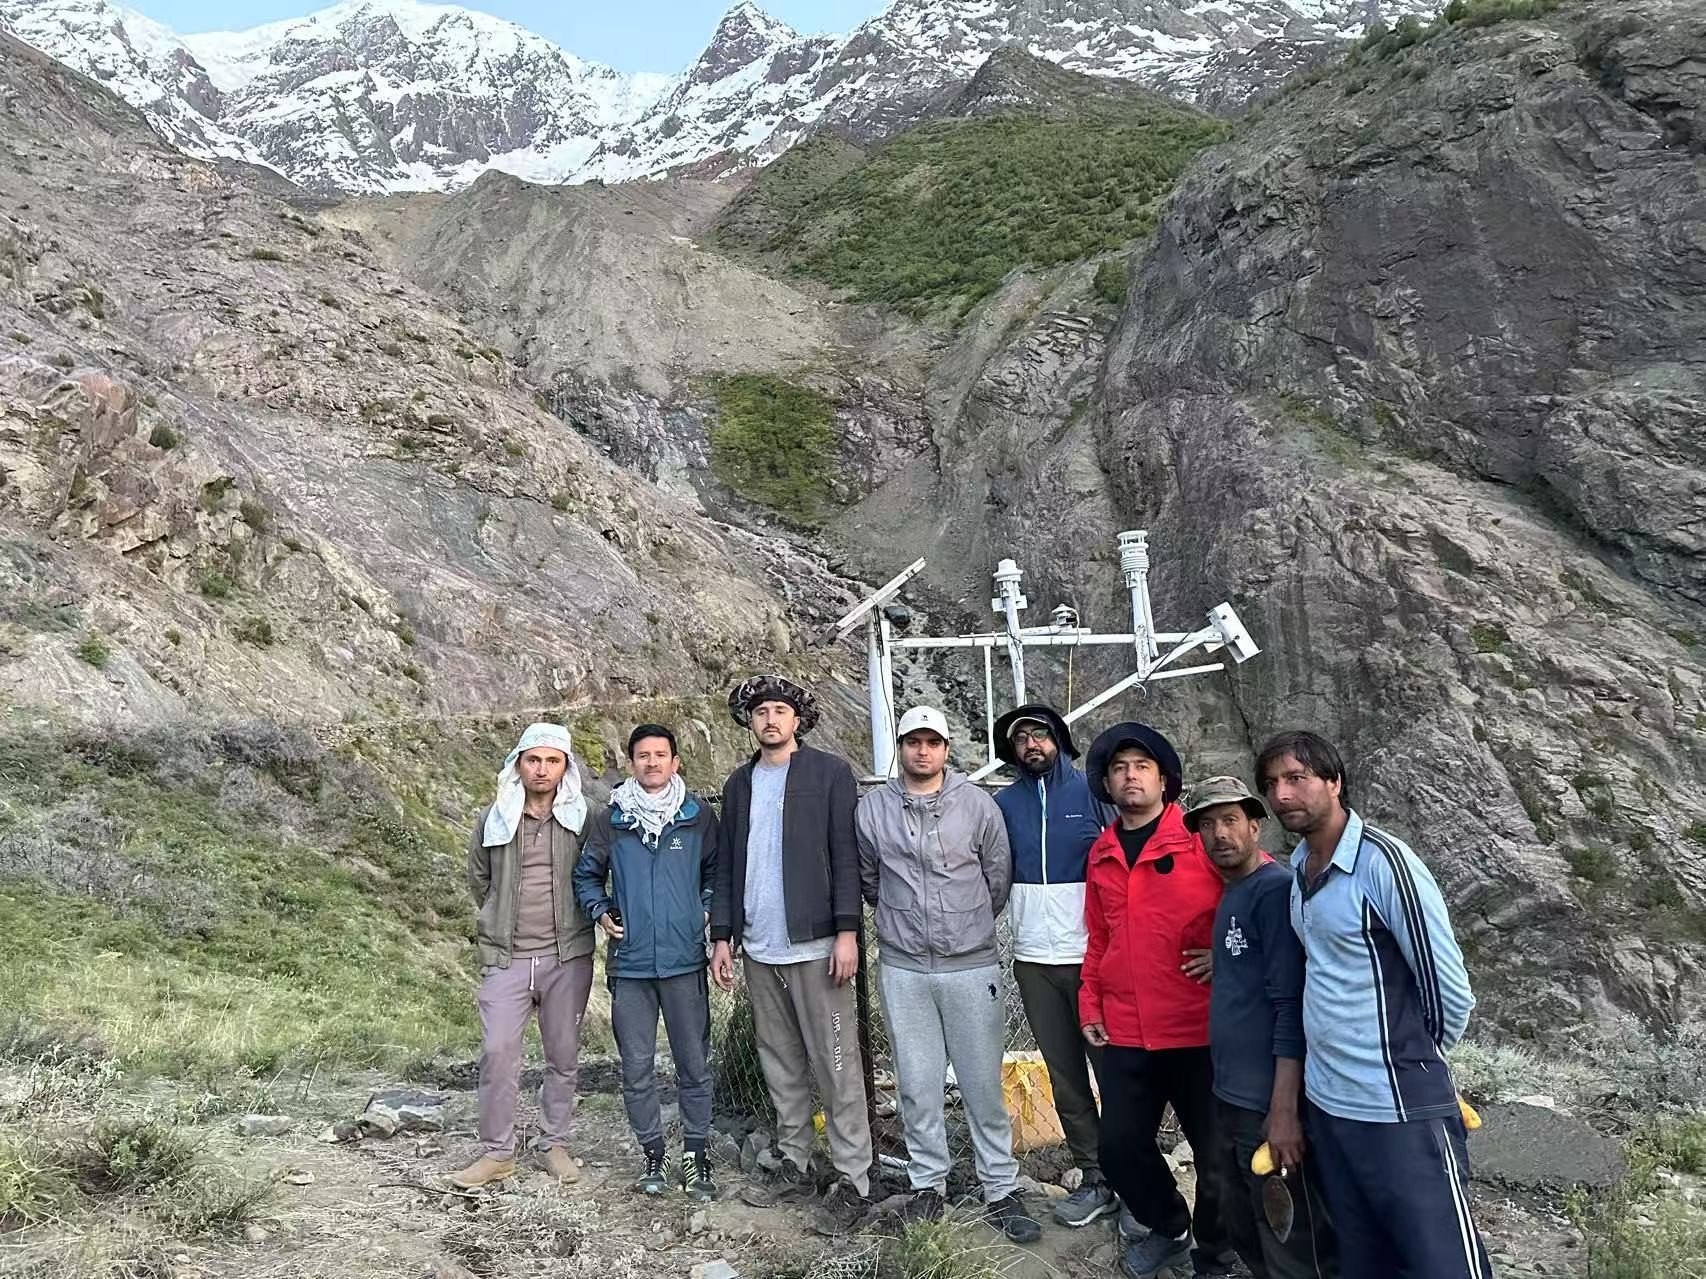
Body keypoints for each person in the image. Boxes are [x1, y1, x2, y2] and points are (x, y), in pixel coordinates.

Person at [1258, 731, 1490, 1279]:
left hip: (1399, 1109)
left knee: (1442, 1261)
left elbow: (1448, 989)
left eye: (1297, 779)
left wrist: (1414, 1065)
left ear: (1334, 782)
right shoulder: (1299, 871)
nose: (1283, 795)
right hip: (1332, 1109)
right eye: (1272, 784)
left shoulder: (1384, 863)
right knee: (1366, 1259)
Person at [858, 706, 1041, 1244]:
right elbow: (870, 878)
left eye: (932, 742)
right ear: (901, 746)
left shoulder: (978, 805)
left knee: (983, 1083)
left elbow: (997, 874)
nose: (923, 751)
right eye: (913, 741)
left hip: (971, 964)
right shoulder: (872, 811)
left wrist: (967, 925)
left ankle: (1001, 1187)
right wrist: (901, 922)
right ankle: (927, 1184)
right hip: (904, 967)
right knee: (917, 1083)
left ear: (945, 749)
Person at [709, 675, 873, 1215]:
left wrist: (847, 932)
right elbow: (729, 865)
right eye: (761, 712)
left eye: (780, 709)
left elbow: (846, 855)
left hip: (819, 946)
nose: (771, 719)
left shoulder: (829, 774)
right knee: (779, 1060)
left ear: (797, 719)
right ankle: (795, 1162)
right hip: (759, 947)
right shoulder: (739, 784)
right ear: (750, 722)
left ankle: (853, 1176)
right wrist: (724, 936)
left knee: (836, 1061)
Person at [1081, 722, 1236, 1279]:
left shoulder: (1203, 839)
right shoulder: (1101, 852)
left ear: (1165, 780)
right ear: (1107, 782)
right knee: (1120, 1149)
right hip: (1126, 1029)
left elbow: (1261, 899)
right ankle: (1170, 1227)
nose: (1130, 776)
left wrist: (1228, 954)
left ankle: (1216, 1253)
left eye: (1142, 766)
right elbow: (1098, 938)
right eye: (1120, 768)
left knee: (1217, 1154)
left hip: (1199, 1030)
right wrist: (1091, 1004)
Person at [1188, 776, 1336, 1278]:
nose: (1218, 834)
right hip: (1229, 1093)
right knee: (1243, 1220)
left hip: (1265, 1102)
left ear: (1255, 826)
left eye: (1230, 820)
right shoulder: (1235, 891)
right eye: (1206, 825)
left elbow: (1288, 1004)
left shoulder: (1272, 892)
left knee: (1287, 1231)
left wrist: (1283, 1111)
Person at [574, 724, 720, 1201]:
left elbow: (718, 872)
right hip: (631, 965)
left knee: (693, 1065)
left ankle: (696, 1156)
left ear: (676, 762)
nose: (652, 762)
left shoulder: (698, 817)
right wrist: (599, 912)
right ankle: (652, 1154)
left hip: (684, 962)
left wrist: (704, 906)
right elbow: (586, 876)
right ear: (631, 762)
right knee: (636, 1067)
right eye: (643, 755)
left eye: (661, 755)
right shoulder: (611, 819)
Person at [451, 723, 595, 1189]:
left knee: (563, 1056)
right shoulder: (494, 817)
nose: (542, 769)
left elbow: (598, 873)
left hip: (566, 955)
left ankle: (553, 1142)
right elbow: (479, 878)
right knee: (497, 1054)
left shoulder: (584, 818)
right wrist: (498, 916)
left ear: (565, 768)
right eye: (534, 760)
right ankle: (498, 1153)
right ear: (519, 763)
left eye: (552, 761)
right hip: (507, 957)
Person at [992, 703, 1118, 1228]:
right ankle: (1094, 1176)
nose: (1031, 745)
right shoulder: (1002, 804)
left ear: (1059, 740)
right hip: (1033, 961)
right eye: (1020, 739)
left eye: (1039, 734)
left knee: (1116, 1074)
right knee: (1065, 1076)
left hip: (1095, 959)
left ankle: (1134, 1174)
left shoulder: (1094, 795)